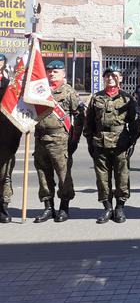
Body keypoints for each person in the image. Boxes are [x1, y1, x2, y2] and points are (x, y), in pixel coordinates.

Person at [85, 66, 140, 223]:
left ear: (120, 78)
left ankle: (120, 208)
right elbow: (89, 122)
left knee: (122, 177)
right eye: (107, 75)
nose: (110, 78)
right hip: (100, 142)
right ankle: (107, 208)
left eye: (114, 75)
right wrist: (90, 141)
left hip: (120, 143)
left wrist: (132, 143)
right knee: (102, 178)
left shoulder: (127, 99)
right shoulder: (96, 98)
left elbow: (135, 123)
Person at [33, 60, 84, 223]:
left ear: (63, 73)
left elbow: (79, 117)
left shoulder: (69, 92)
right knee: (43, 174)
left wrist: (74, 140)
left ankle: (64, 207)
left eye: (56, 71)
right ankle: (48, 207)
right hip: (40, 138)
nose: (51, 73)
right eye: (49, 70)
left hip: (60, 140)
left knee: (63, 176)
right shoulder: (39, 91)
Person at [0, 69, 22, 224]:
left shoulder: (11, 88)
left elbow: (17, 116)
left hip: (4, 141)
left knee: (3, 177)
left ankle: (2, 208)